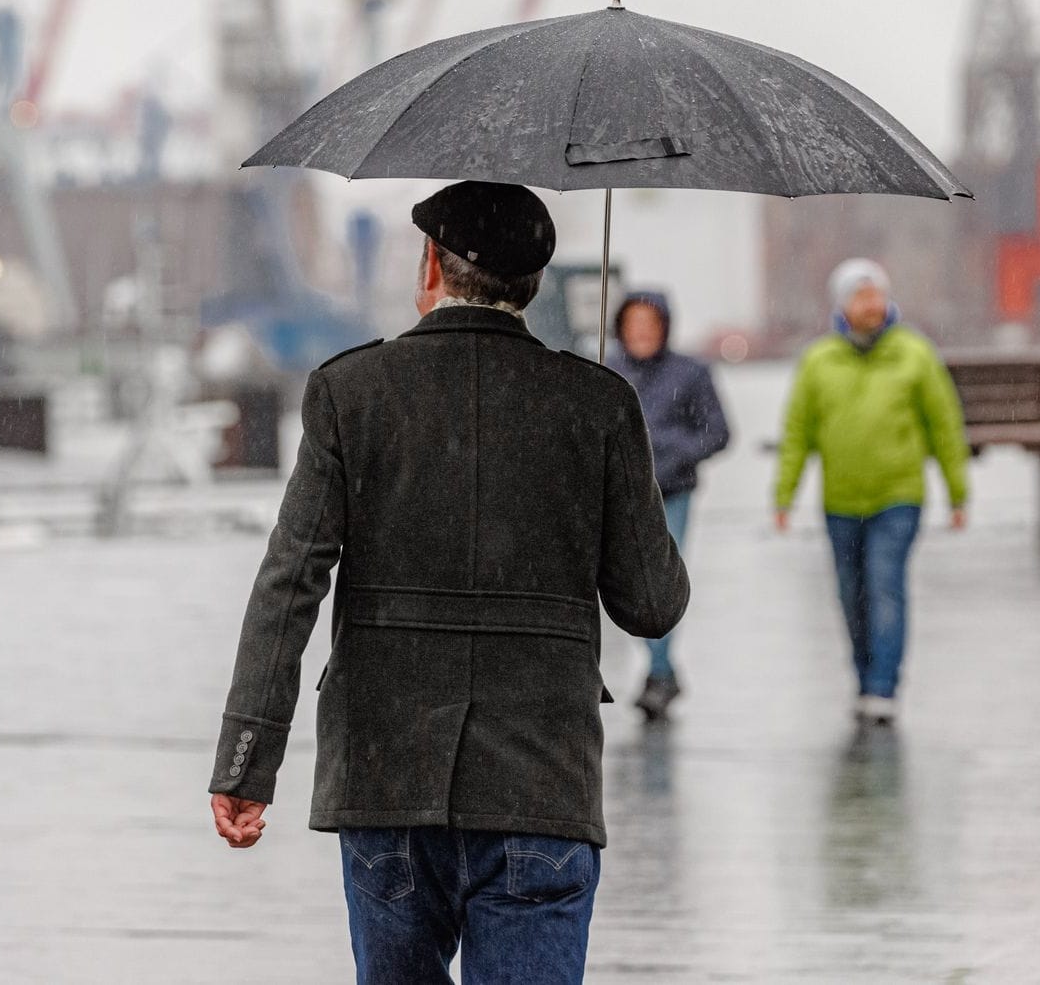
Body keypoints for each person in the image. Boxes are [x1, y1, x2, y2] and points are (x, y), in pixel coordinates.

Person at [207, 181, 688, 983]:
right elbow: (652, 602)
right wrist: (616, 469)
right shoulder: (596, 402)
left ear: (432, 263)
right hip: (539, 783)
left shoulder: (349, 393)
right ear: (531, 282)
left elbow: (289, 584)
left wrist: (246, 762)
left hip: (386, 780)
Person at [774, 258, 969, 726]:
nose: (871, 305)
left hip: (897, 497)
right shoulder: (819, 360)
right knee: (850, 595)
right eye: (860, 296)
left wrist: (957, 492)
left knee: (885, 587)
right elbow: (798, 432)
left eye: (876, 294)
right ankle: (862, 678)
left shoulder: (914, 353)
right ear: (841, 303)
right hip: (840, 501)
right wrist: (784, 496)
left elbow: (944, 425)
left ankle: (884, 686)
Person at [606, 290, 729, 719]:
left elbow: (717, 432)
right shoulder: (608, 371)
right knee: (625, 583)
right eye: (633, 324)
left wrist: (674, 452)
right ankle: (663, 670)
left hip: (671, 492)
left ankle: (658, 674)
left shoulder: (690, 373)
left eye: (650, 324)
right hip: (619, 495)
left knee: (657, 581)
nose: (641, 333)